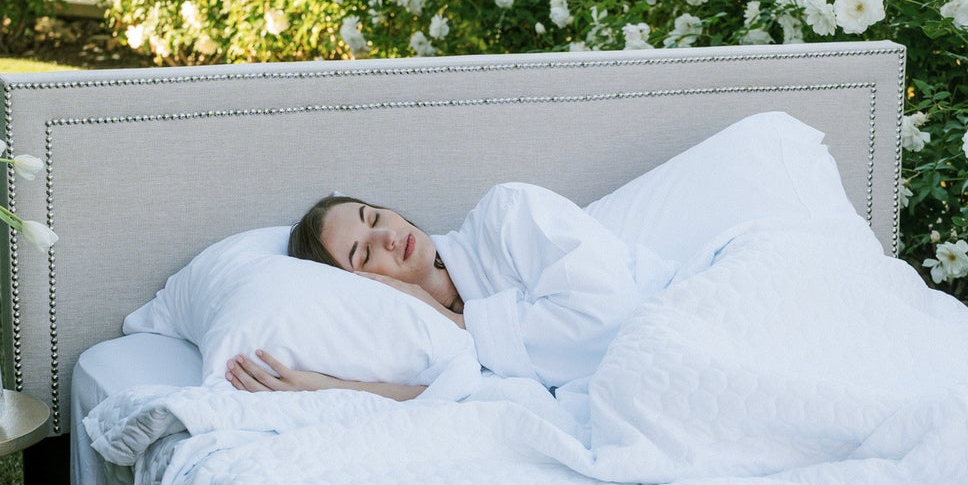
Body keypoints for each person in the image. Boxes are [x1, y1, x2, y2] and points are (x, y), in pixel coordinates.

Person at [224, 183, 675, 397]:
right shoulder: (410, 333)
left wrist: (461, 321)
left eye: (375, 216)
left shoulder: (508, 215)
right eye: (362, 255)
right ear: (362, 285)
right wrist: (319, 385)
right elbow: (448, 397)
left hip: (673, 319)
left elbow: (607, 320)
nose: (386, 236)